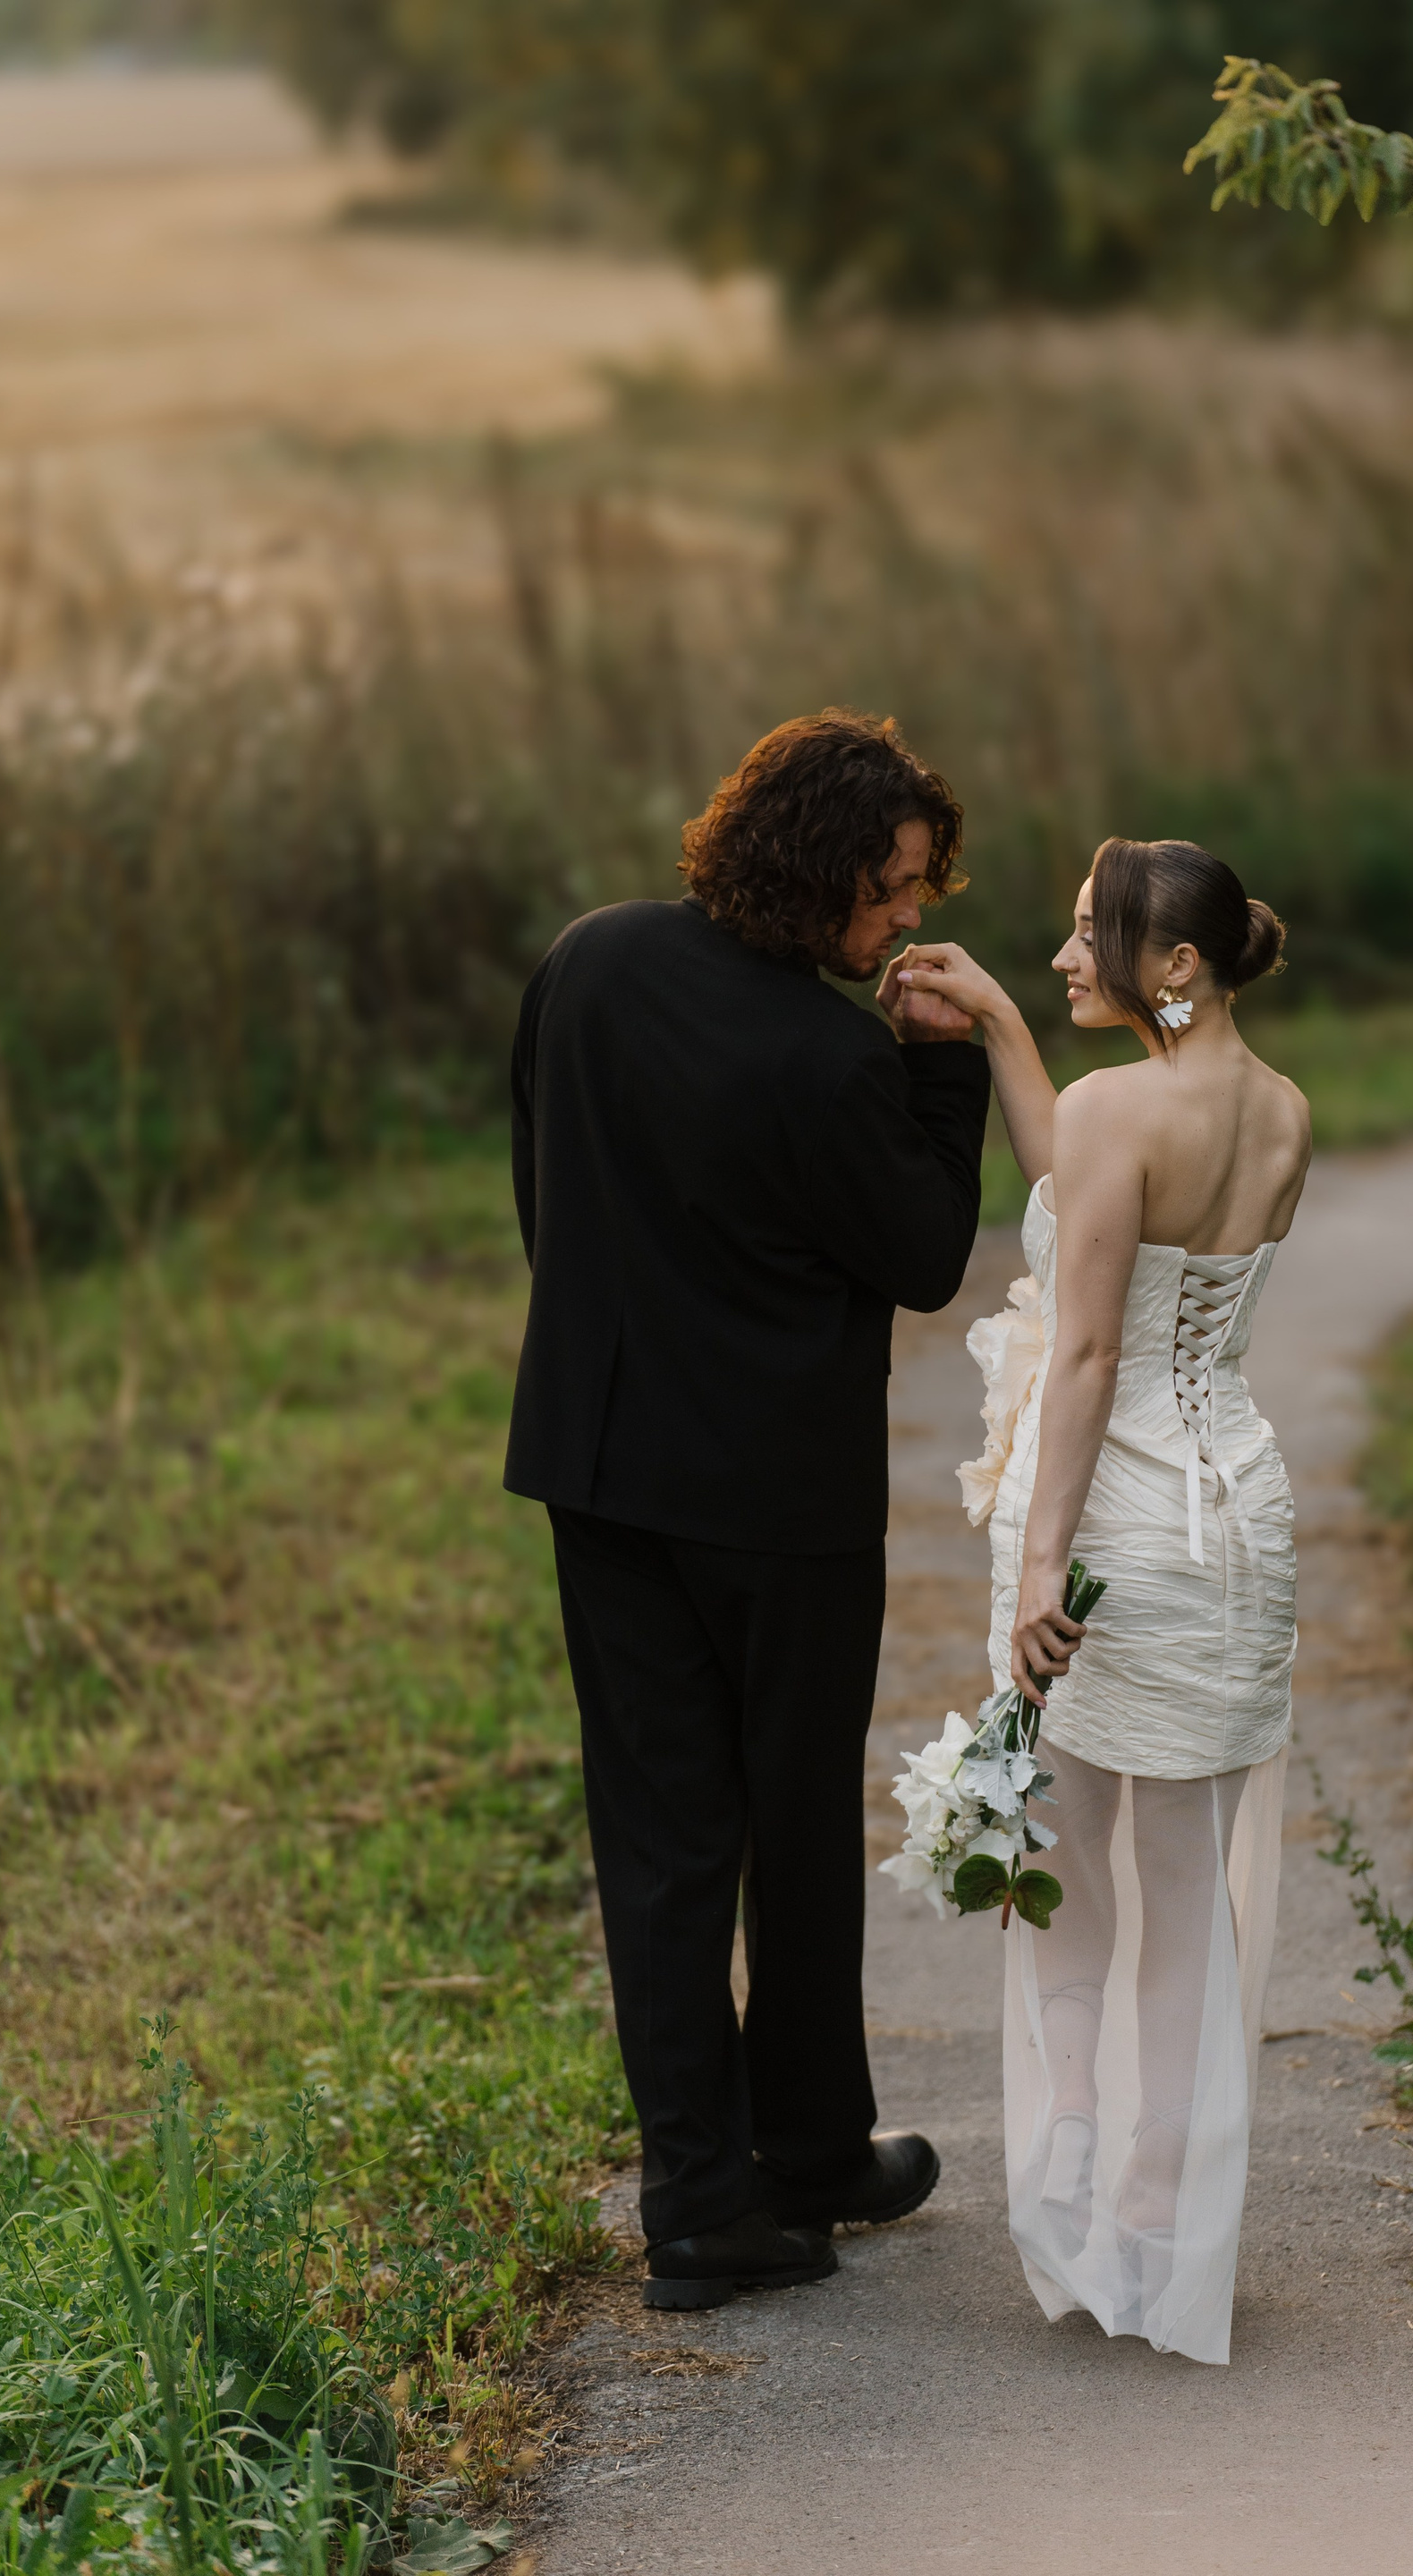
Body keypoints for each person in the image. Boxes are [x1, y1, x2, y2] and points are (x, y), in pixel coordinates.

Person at [504, 710, 991, 2312]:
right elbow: (925, 1255)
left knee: (661, 1843)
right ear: (814, 864)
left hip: (602, 1470)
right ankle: (811, 2152)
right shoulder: (833, 1057)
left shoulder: (589, 961)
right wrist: (945, 1071)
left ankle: (704, 2206)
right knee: (793, 1831)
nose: (906, 917)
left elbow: (543, 1192)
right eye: (892, 886)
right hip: (782, 1505)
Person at [893, 835, 1310, 2366]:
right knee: (1190, 1885)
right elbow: (1091, 1197)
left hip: (1110, 1526)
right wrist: (1008, 1027)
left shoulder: (1114, 1107)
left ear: (1174, 963)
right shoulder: (1282, 1112)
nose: (1069, 956)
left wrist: (1036, 1572)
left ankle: (1070, 2127)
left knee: (1062, 1847)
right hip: (1236, 1524)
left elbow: (1083, 1352)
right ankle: (1157, 2209)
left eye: (1091, 935)